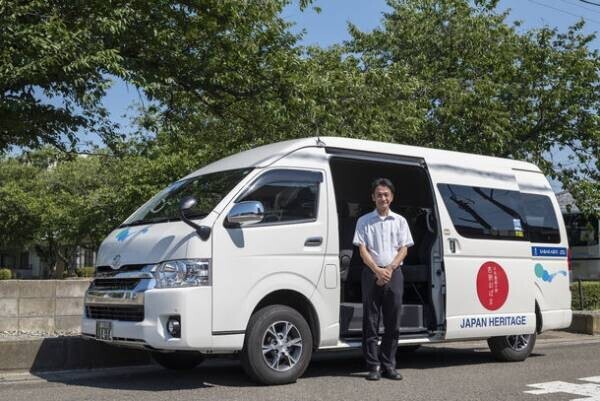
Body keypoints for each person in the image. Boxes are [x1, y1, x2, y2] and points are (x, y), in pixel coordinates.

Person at [353, 178, 414, 381]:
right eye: (379, 194)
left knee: (393, 322)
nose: (383, 198)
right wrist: (377, 271)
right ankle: (373, 366)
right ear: (373, 197)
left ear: (392, 197)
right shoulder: (364, 221)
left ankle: (389, 365)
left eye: (386, 194)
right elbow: (362, 250)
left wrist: (389, 269)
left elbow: (404, 248)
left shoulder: (400, 221)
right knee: (370, 322)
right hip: (371, 273)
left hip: (394, 273)